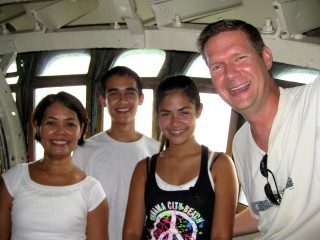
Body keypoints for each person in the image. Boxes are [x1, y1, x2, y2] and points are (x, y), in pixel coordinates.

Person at [197, 19, 320, 239]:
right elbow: (262, 212)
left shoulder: (312, 104)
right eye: (217, 66)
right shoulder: (241, 142)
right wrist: (204, 232)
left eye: (240, 57)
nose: (230, 74)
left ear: (266, 57)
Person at [123, 75, 239, 239]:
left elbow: (221, 235)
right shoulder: (145, 168)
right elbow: (131, 232)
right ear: (157, 115)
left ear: (199, 110)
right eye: (166, 114)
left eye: (183, 112)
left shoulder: (219, 165)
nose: (175, 122)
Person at [0, 91, 108, 240]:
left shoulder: (92, 190)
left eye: (70, 124)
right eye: (51, 123)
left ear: (82, 129)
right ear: (38, 126)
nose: (60, 132)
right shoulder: (13, 179)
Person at [72, 66, 160, 240]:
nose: (122, 101)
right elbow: (75, 208)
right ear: (103, 100)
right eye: (113, 93)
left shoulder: (157, 151)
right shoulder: (85, 151)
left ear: (141, 99)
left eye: (130, 93)